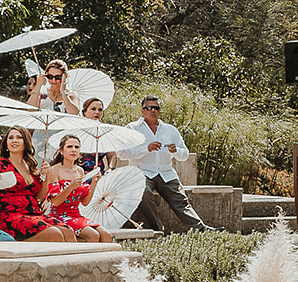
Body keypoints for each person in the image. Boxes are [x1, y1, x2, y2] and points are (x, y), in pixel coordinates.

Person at [118, 95, 214, 232]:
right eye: (149, 108)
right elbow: (122, 153)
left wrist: (175, 151)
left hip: (166, 173)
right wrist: (146, 149)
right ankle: (158, 228)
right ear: (142, 111)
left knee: (181, 200)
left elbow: (184, 154)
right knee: (142, 192)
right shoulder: (132, 129)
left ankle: (201, 229)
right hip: (142, 172)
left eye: (156, 108)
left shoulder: (170, 130)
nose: (153, 111)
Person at [0, 125, 74, 242]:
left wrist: (46, 176)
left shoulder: (31, 165)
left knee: (68, 231)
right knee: (54, 233)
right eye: (10, 138)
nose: (14, 140)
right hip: (8, 216)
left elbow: (39, 197)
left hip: (33, 214)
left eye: (19, 137)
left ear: (26, 142)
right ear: (6, 142)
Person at [43, 134, 111, 243]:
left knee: (106, 234)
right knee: (93, 235)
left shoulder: (80, 171)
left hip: (76, 214)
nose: (73, 150)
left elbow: (85, 202)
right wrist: (70, 187)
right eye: (69, 147)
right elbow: (55, 202)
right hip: (59, 216)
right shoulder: (54, 170)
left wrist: (94, 182)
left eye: (77, 147)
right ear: (61, 151)